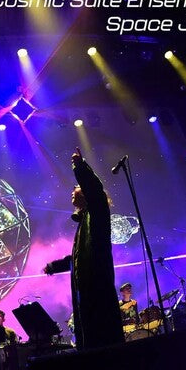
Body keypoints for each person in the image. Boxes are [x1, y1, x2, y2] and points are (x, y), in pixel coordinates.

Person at [43, 147, 124, 350]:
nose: (73, 190)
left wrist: (80, 166)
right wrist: (54, 266)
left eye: (77, 187)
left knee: (104, 337)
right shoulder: (83, 224)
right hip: (85, 293)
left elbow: (95, 189)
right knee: (90, 340)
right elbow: (77, 258)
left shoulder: (97, 212)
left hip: (98, 287)